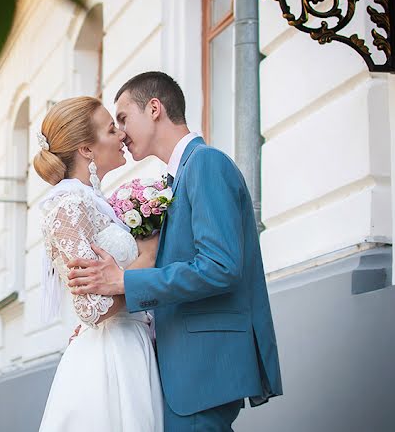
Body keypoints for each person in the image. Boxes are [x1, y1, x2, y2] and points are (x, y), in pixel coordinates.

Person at [67, 72, 283, 432]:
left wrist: (125, 281)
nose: (120, 133)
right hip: (180, 363)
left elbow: (220, 267)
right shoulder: (180, 174)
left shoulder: (206, 163)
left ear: (154, 109)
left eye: (123, 118)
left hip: (202, 367)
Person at [34, 96, 165, 432]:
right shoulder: (67, 206)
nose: (121, 135)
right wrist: (147, 257)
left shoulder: (94, 202)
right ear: (86, 150)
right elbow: (94, 309)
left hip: (132, 343)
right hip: (110, 359)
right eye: (111, 129)